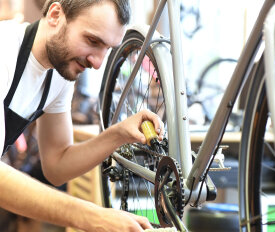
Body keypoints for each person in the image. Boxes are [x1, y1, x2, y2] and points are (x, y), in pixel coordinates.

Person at [0, 0, 164, 231]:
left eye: (106, 48)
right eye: (92, 41)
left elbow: (57, 165)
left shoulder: (57, 74)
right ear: (56, 15)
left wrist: (117, 134)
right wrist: (92, 216)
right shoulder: (4, 51)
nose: (97, 63)